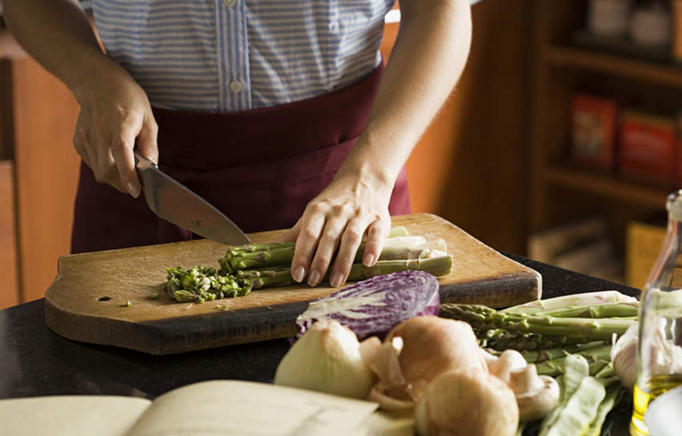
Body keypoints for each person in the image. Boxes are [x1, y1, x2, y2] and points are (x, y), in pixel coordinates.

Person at [3, 0, 471, 287]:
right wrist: (90, 76)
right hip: (140, 178)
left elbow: (440, 7)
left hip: (344, 189)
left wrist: (370, 176)